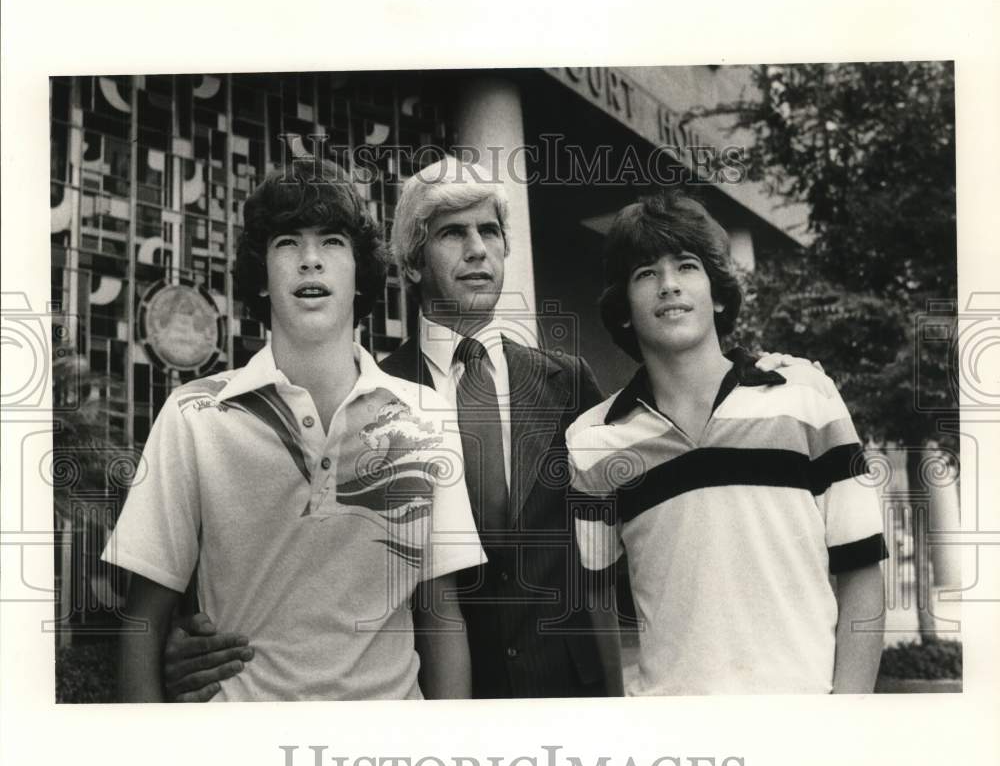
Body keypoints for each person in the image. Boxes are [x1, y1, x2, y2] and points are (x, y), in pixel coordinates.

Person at [159, 158, 820, 700]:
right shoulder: (366, 398)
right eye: (452, 233)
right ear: (414, 261)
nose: (478, 249)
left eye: (489, 232)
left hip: (574, 698)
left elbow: (643, 531)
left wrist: (749, 371)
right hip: (433, 698)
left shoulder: (570, 384)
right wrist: (188, 632)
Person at [102, 159, 485, 701]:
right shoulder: (193, 415)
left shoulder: (426, 415)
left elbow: (442, 615)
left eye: (332, 241)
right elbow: (143, 622)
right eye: (287, 243)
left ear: (360, 275)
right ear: (261, 276)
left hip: (390, 765)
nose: (310, 261)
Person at [566, 190, 887, 695]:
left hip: (804, 725)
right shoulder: (594, 442)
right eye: (645, 273)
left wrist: (848, 720)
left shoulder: (805, 396)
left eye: (687, 266)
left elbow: (862, 571)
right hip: (675, 743)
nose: (668, 285)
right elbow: (597, 599)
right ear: (624, 309)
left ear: (717, 293)